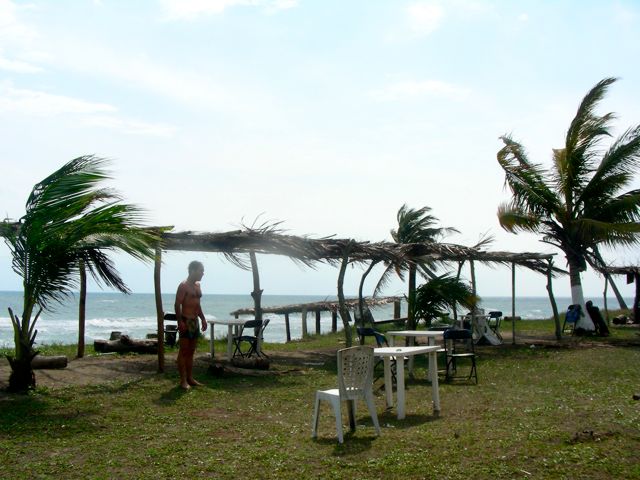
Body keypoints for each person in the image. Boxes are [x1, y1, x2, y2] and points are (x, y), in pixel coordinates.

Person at [175, 260, 208, 389]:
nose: (203, 274)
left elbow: (197, 304)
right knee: (183, 351)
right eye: (201, 270)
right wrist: (180, 322)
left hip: (195, 321)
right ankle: (183, 380)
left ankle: (190, 377)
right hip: (186, 320)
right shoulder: (183, 286)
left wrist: (203, 319)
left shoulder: (197, 286)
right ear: (193, 270)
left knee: (191, 351)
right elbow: (177, 304)